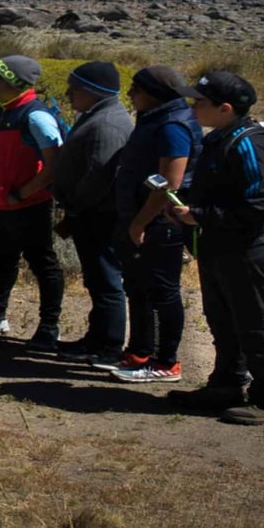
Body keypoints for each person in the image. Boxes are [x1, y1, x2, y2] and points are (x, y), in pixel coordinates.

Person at [168, 72, 264, 424]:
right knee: (222, 320)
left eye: (200, 101)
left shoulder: (248, 143)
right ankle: (225, 385)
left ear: (225, 109)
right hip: (222, 245)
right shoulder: (222, 138)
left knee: (253, 323)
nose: (193, 106)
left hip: (250, 248)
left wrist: (200, 214)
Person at [0, 55, 65, 349]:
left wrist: (23, 193)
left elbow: (55, 165)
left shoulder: (34, 115)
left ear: (14, 82)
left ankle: (49, 327)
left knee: (43, 265)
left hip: (27, 206)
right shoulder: (4, 110)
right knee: (2, 260)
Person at [104, 65, 201, 382]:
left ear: (155, 95)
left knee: (162, 292)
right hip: (138, 217)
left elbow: (169, 183)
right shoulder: (156, 118)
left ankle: (165, 363)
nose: (130, 94)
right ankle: (139, 354)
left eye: (137, 89)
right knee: (139, 288)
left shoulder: (173, 125)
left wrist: (140, 223)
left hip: (159, 222)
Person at [48, 61, 133, 364]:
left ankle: (108, 346)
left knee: (106, 281)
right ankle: (96, 339)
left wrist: (75, 204)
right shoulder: (99, 116)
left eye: (76, 89)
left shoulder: (107, 123)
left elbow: (100, 173)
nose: (69, 94)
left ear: (93, 92)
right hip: (91, 213)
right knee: (97, 280)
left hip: (98, 215)